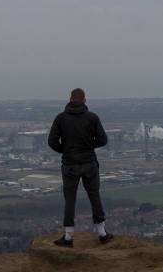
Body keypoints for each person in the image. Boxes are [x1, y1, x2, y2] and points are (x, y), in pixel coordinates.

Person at [48, 88, 113, 247]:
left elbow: (52, 141)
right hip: (89, 163)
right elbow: (103, 140)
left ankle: (68, 237)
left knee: (70, 200)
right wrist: (89, 146)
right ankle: (103, 234)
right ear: (84, 100)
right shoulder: (92, 118)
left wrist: (66, 150)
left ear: (70, 99)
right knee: (94, 197)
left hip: (70, 165)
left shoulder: (61, 118)